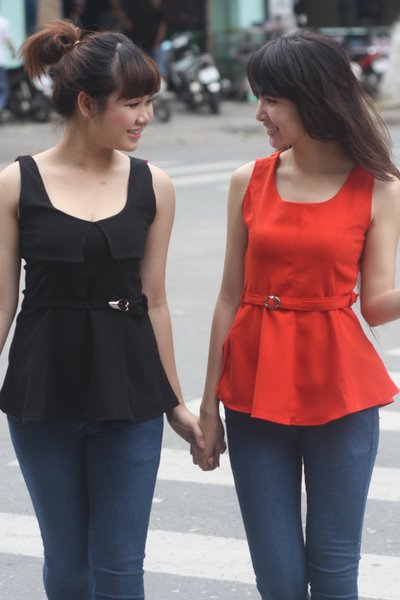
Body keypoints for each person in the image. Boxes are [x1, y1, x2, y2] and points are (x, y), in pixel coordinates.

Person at [192, 30, 400, 600]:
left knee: (335, 575)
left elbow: (377, 303)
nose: (259, 113)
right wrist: (208, 407)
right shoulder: (249, 180)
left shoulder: (379, 187)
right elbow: (229, 297)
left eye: (272, 99)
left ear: (315, 98)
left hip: (341, 391)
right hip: (254, 389)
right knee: (278, 580)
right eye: (258, 97)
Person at [0, 19, 204, 600]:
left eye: (150, 103)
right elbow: (1, 302)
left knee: (119, 570)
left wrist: (175, 403)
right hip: (44, 395)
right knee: (68, 568)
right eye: (133, 104)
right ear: (88, 103)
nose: (146, 117)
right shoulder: (16, 183)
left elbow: (156, 301)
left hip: (130, 395)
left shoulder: (154, 185)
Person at [0, 8, 16, 122]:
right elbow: (8, 41)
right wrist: (14, 53)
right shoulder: (3, 22)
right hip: (0, 61)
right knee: (4, 89)